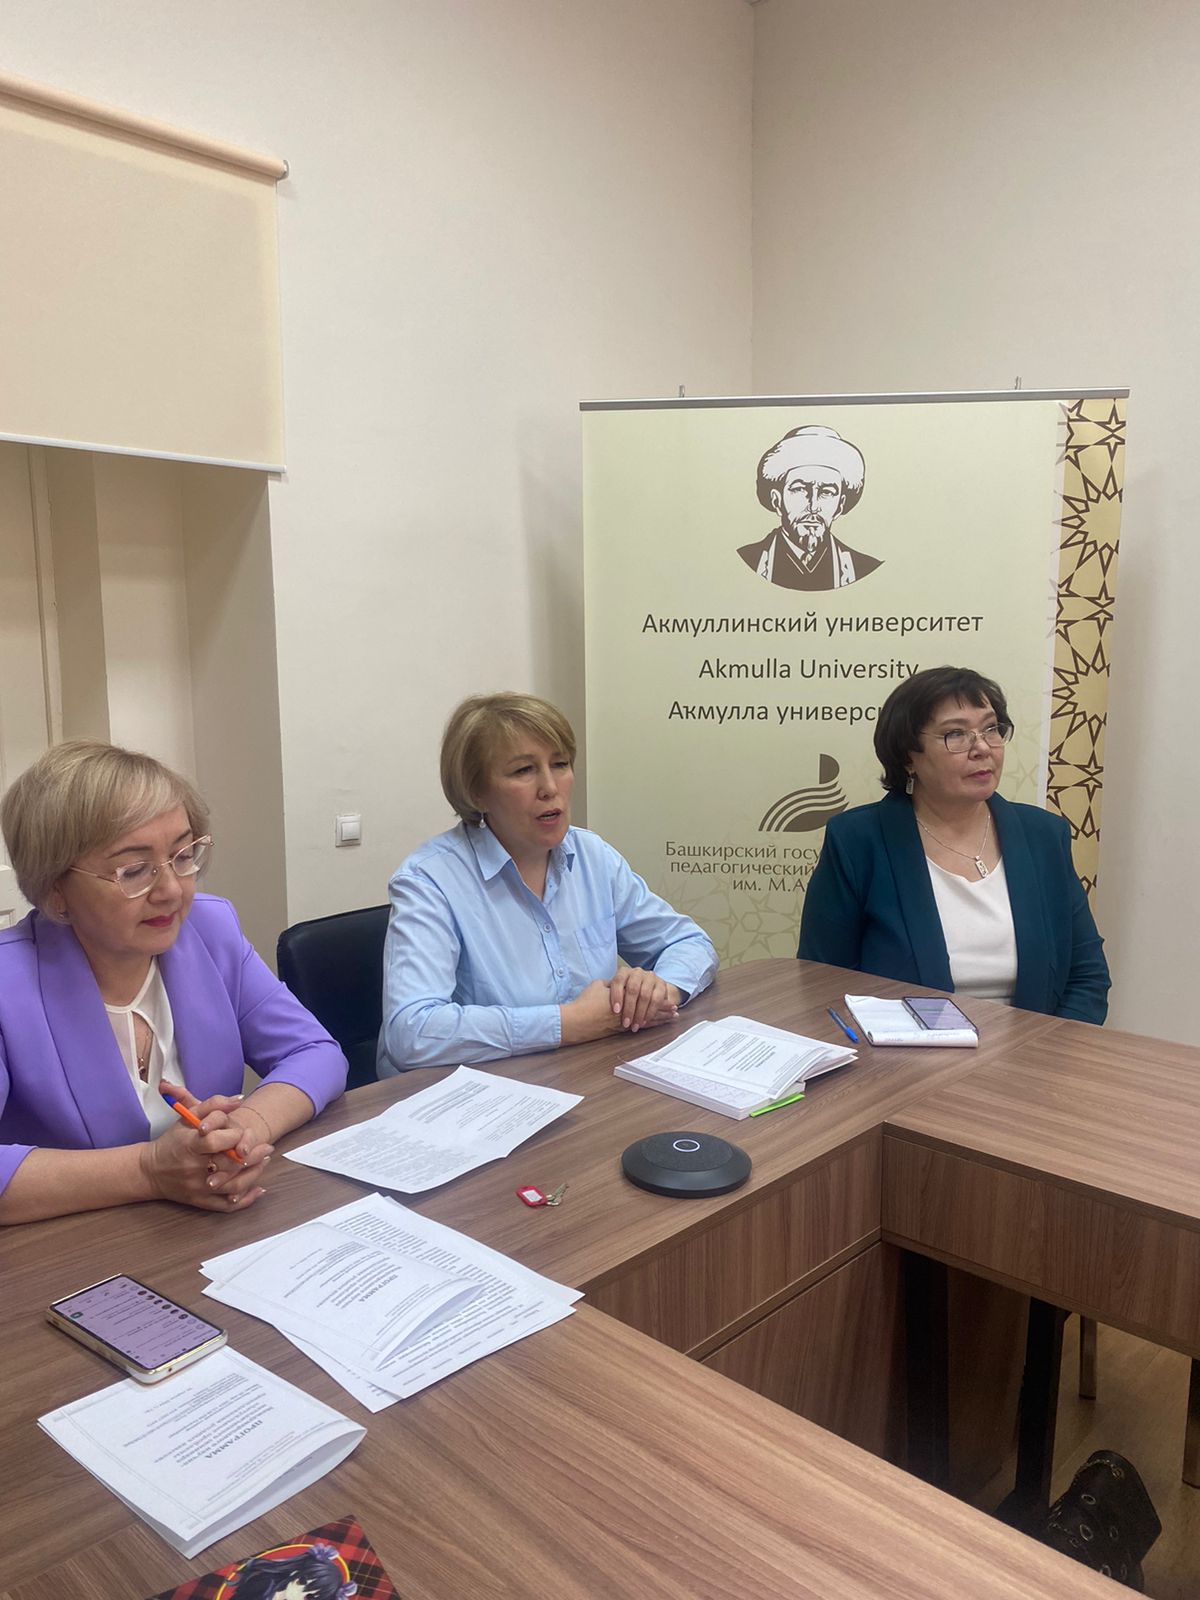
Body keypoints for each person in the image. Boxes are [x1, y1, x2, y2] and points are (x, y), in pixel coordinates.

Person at [0, 741, 348, 1225]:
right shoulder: (9, 983)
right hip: (72, 1247)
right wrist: (149, 1170)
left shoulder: (209, 930)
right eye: (134, 870)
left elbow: (315, 1052)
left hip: (211, 1225)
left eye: (183, 855)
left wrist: (242, 1129)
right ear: (55, 889)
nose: (171, 890)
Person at [379, 692, 718, 1072]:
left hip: (583, 1077)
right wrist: (568, 1023)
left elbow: (689, 943)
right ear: (477, 792)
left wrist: (658, 991)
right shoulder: (429, 880)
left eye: (560, 764)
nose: (550, 787)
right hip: (474, 1095)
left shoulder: (592, 856)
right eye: (523, 770)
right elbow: (411, 1034)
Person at [797, 666, 1110, 1022]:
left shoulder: (1043, 835)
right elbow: (821, 982)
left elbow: (1088, 977)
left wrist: (1044, 1050)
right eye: (956, 734)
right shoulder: (857, 840)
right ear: (908, 757)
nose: (982, 748)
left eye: (991, 729)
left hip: (1034, 1050)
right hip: (901, 1053)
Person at [737, 424, 882, 591]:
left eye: (826, 492)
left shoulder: (861, 567)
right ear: (777, 500)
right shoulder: (748, 561)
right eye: (800, 489)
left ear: (840, 506)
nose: (813, 506)